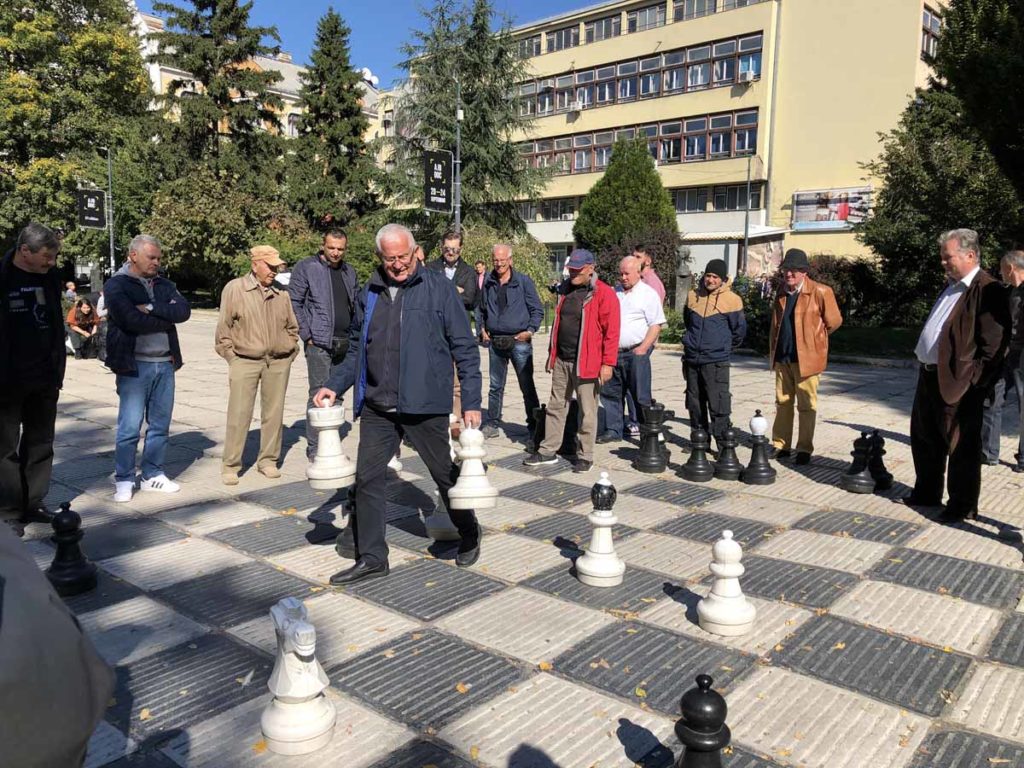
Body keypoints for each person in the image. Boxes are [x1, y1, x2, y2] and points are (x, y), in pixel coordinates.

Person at [313, 224, 483, 585]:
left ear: (416, 252)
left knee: (443, 475)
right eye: (390, 259)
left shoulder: (438, 288)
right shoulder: (370, 292)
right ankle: (374, 557)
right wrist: (333, 385)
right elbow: (358, 348)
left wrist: (470, 400)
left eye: (403, 257)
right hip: (378, 405)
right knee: (368, 479)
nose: (397, 265)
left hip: (424, 405)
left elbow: (464, 348)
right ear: (380, 257)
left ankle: (469, 530)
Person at [905, 229, 1009, 522]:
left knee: (961, 446)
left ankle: (961, 505)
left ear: (970, 255)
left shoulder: (987, 290)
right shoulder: (952, 286)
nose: (943, 262)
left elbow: (994, 348)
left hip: (959, 382)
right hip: (929, 375)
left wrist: (973, 382)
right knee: (925, 437)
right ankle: (926, 493)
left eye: (947, 257)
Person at [104, 235, 191, 503]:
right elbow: (130, 320)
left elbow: (184, 312)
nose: (157, 262)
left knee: (160, 425)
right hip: (134, 366)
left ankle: (153, 473)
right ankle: (125, 478)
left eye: (158, 258)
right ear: (133, 256)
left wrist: (151, 308)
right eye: (152, 257)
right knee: (129, 427)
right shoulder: (117, 285)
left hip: (164, 364)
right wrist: (164, 318)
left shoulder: (165, 284)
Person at [525, 249, 619, 473]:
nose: (573, 273)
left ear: (590, 268)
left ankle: (585, 455)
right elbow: (558, 324)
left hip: (588, 361)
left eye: (578, 270)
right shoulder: (565, 290)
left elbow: (612, 332)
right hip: (562, 359)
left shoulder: (603, 293)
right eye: (571, 269)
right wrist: (552, 354)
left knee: (587, 411)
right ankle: (548, 450)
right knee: (556, 405)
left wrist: (608, 363)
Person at [0, 223, 65, 535]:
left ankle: (35, 502)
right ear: (25, 251)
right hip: (7, 379)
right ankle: (9, 510)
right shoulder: (3, 277)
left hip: (44, 376)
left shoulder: (50, 278)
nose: (51, 262)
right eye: (46, 256)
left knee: (41, 442)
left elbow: (54, 324)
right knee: (4, 447)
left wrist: (56, 372)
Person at [215, 245, 299, 485]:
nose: (274, 271)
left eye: (276, 266)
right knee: (239, 413)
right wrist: (232, 358)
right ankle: (231, 465)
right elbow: (223, 330)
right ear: (255, 265)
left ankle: (268, 461)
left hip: (278, 361)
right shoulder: (235, 289)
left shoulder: (282, 292)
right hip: (245, 360)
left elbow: (292, 327)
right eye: (270, 266)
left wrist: (290, 349)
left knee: (274, 414)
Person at [289, 229, 359, 460]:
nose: (336, 252)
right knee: (318, 394)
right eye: (331, 248)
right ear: (323, 245)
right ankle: (315, 448)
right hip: (319, 342)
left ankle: (331, 444)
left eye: (340, 248)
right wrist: (307, 334)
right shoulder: (307, 267)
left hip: (344, 340)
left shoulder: (349, 271)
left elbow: (355, 303)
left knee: (337, 393)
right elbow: (295, 301)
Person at [768, 248, 843, 464]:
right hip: (783, 356)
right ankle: (781, 445)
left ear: (804, 272)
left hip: (808, 359)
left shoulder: (821, 292)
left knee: (806, 405)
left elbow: (834, 321)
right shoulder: (781, 292)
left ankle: (804, 449)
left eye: (793, 271)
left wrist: (816, 339)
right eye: (786, 271)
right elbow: (775, 324)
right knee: (782, 402)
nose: (789, 275)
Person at [479, 244, 543, 442]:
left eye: (502, 260)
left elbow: (537, 310)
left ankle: (534, 424)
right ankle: (492, 423)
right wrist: (482, 329)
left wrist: (530, 331)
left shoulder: (523, 282)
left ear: (510, 260)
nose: (499, 263)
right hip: (496, 341)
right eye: (495, 260)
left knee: (527, 385)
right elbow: (480, 309)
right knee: (495, 386)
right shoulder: (488, 282)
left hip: (519, 341)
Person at [598, 256, 665, 443]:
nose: (623, 277)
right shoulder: (614, 292)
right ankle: (613, 430)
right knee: (610, 392)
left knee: (640, 395)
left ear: (638, 272)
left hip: (636, 352)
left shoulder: (648, 294)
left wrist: (643, 348)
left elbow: (656, 324)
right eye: (621, 273)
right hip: (613, 352)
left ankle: (647, 431)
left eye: (627, 273)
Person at [682, 258, 746, 446]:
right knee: (694, 403)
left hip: (716, 361)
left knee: (718, 403)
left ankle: (722, 444)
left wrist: (722, 347)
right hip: (693, 359)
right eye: (708, 276)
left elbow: (739, 331)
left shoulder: (733, 300)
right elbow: (688, 322)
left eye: (715, 277)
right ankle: (699, 442)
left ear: (723, 279)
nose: (710, 280)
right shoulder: (692, 296)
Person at [427, 230, 478, 431]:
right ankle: (436, 421)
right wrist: (455, 290)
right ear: (442, 247)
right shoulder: (431, 268)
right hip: (435, 330)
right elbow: (429, 296)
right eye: (447, 249)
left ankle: (456, 420)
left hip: (458, 329)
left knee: (457, 382)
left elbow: (470, 298)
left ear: (461, 249)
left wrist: (446, 290)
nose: (451, 253)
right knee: (436, 379)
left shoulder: (468, 271)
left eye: (455, 249)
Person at [981, 251, 1024, 471]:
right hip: (1007, 352)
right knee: (992, 398)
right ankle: (988, 453)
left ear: (1010, 268)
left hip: (1021, 354)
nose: (1000, 272)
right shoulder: (1011, 291)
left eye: (1002, 268)